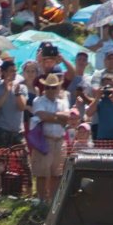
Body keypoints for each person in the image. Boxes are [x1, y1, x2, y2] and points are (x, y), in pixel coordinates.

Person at [29, 73, 69, 203]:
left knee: (56, 174)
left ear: (58, 88)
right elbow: (42, 116)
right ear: (44, 88)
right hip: (44, 140)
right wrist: (59, 117)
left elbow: (67, 117)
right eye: (48, 87)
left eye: (54, 87)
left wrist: (52, 117)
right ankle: (41, 201)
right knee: (42, 173)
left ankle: (52, 202)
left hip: (59, 141)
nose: (51, 90)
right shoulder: (38, 100)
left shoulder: (63, 102)